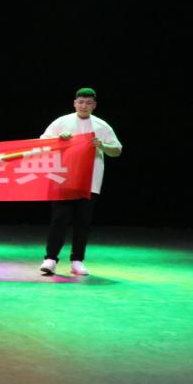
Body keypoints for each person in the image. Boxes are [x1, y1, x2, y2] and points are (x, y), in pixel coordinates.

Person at [39, 88, 123, 277]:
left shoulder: (101, 126)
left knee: (82, 222)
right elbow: (43, 142)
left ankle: (77, 260)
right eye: (81, 102)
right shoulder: (62, 122)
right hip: (64, 179)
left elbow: (117, 150)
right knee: (59, 220)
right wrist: (59, 138)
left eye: (88, 103)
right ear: (75, 103)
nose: (84, 106)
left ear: (94, 105)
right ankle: (50, 259)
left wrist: (102, 145)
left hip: (90, 181)